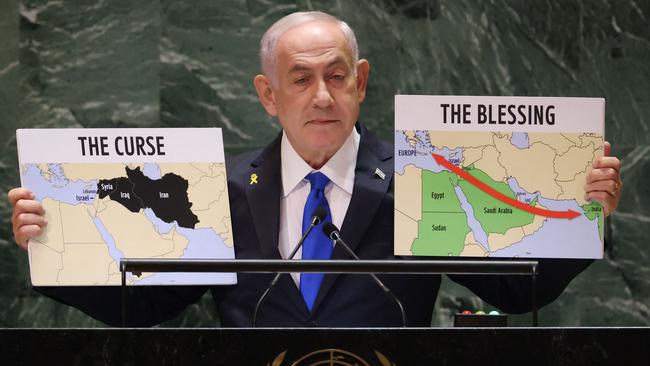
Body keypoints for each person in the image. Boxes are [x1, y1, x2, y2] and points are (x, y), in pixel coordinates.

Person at [8, 11, 623, 327]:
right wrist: (53, 248)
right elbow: (146, 307)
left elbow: (519, 290)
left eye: (336, 76)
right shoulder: (220, 188)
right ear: (269, 95)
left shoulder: (421, 178)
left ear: (360, 82)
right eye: (300, 80)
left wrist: (585, 215)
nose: (322, 96)